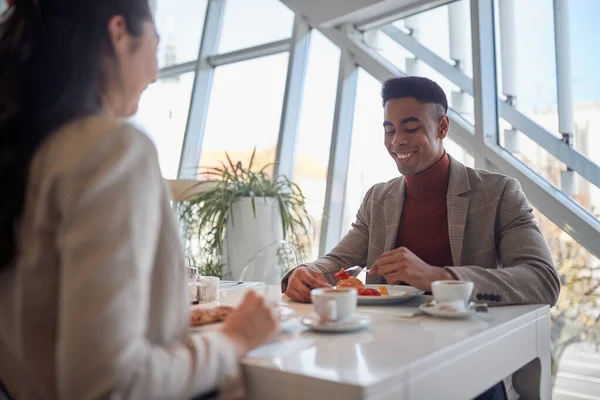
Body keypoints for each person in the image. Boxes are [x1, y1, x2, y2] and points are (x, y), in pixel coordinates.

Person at [0, 1, 278, 399]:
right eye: (155, 42)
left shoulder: (22, 157)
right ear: (118, 33)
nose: (155, 69)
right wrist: (233, 340)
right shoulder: (111, 151)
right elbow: (109, 385)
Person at [282, 76, 561, 399]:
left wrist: (438, 277)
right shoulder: (378, 199)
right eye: (389, 129)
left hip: (472, 362)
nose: (397, 141)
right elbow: (338, 261)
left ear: (442, 127)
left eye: (410, 128)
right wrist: (304, 273)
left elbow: (542, 280)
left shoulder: (498, 193)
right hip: (384, 359)